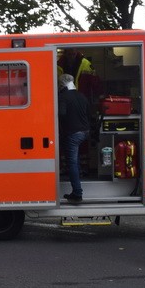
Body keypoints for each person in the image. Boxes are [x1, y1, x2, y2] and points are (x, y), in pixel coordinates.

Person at [57, 73, 90, 204]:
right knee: (75, 160)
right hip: (85, 132)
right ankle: (76, 188)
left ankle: (77, 193)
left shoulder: (63, 97)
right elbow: (88, 112)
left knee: (72, 163)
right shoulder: (81, 96)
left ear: (61, 85)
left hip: (73, 133)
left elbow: (61, 114)